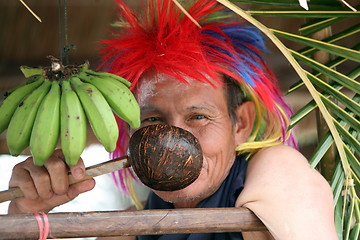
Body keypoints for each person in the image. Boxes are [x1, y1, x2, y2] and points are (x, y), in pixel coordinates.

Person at [8, 0, 338, 239]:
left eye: (198, 116)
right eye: (152, 121)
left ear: (241, 124)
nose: (172, 138)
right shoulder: (125, 232)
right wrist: (23, 217)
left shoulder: (277, 169)